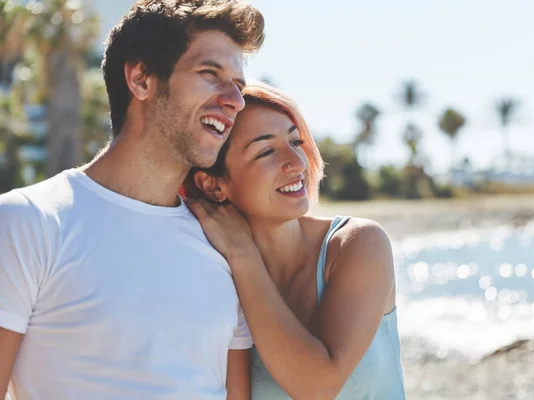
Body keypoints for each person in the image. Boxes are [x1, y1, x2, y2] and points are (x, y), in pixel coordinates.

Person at [0, 1, 264, 399]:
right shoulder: (28, 221)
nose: (235, 101)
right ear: (141, 79)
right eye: (211, 74)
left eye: (239, 87)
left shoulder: (226, 243)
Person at [184, 82, 406, 399]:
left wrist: (243, 253)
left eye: (295, 141)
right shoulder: (215, 276)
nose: (297, 163)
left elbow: (318, 385)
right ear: (213, 185)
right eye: (266, 151)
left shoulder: (357, 244)